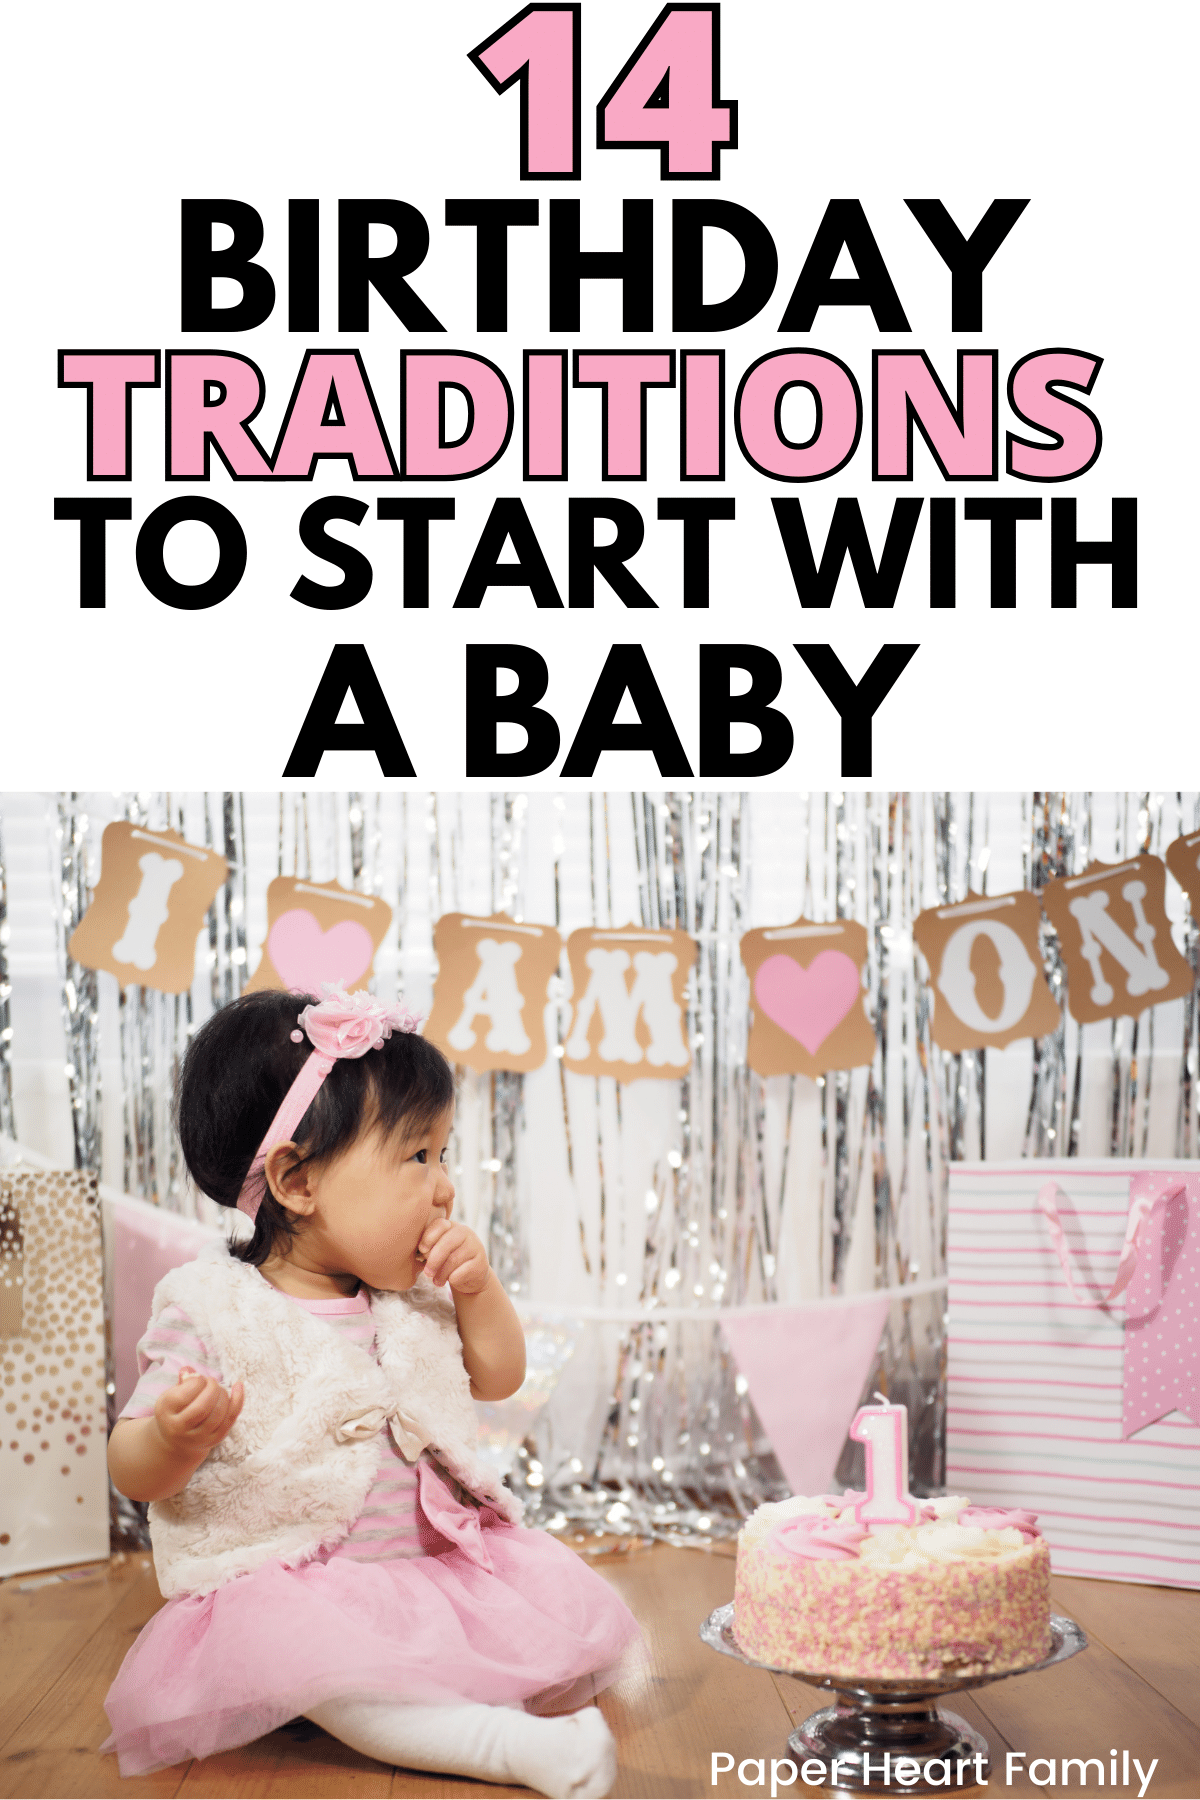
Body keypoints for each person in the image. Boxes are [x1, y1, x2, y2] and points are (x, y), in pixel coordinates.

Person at [103, 985, 640, 1796]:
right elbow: (130, 1466)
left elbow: (500, 1375)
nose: (444, 1187)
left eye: (444, 1155)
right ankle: (504, 1748)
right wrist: (171, 1439)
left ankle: (472, 1698)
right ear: (297, 1180)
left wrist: (479, 1291)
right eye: (417, 1157)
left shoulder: (412, 1298)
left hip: (430, 1569)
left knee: (483, 1640)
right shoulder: (215, 1308)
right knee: (341, 1680)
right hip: (292, 1587)